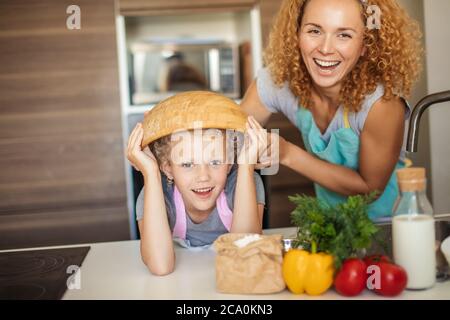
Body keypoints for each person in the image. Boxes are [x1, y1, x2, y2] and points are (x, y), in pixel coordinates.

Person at [240, 0, 423, 219]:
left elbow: (369, 188)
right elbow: (230, 135)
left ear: (366, 44)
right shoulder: (279, 82)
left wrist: (288, 154)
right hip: (330, 227)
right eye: (315, 30)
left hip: (388, 228)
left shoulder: (382, 104)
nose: (326, 49)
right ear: (296, 33)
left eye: (344, 35)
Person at [127, 92, 266, 276]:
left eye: (215, 162)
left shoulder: (246, 183)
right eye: (187, 164)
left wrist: (247, 164)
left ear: (230, 161)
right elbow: (160, 266)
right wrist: (151, 173)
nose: (203, 177)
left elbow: (243, 256)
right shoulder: (155, 194)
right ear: (168, 167)